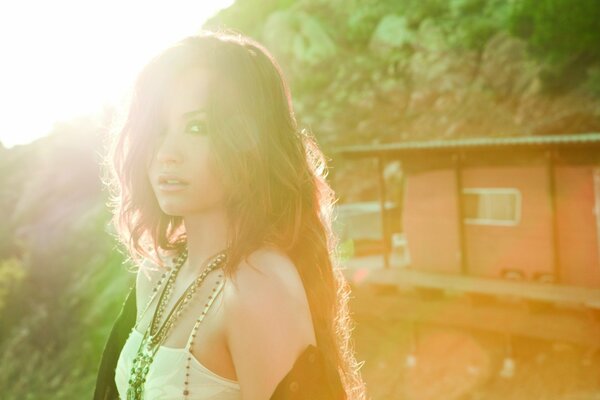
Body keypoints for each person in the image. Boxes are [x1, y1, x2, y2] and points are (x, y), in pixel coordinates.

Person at [93, 30, 367, 400]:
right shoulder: (158, 272)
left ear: (248, 142)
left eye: (197, 127)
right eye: (159, 129)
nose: (166, 153)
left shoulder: (259, 285)